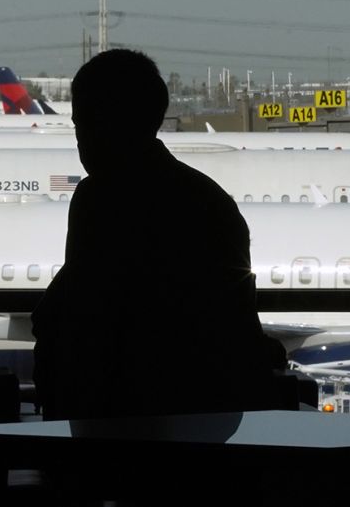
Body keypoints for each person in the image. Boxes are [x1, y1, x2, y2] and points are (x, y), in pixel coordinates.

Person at [32, 48, 278, 421]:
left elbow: (86, 317)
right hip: (206, 420)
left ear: (107, 125)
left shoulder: (100, 198)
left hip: (117, 422)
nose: (81, 141)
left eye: (83, 125)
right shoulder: (208, 200)